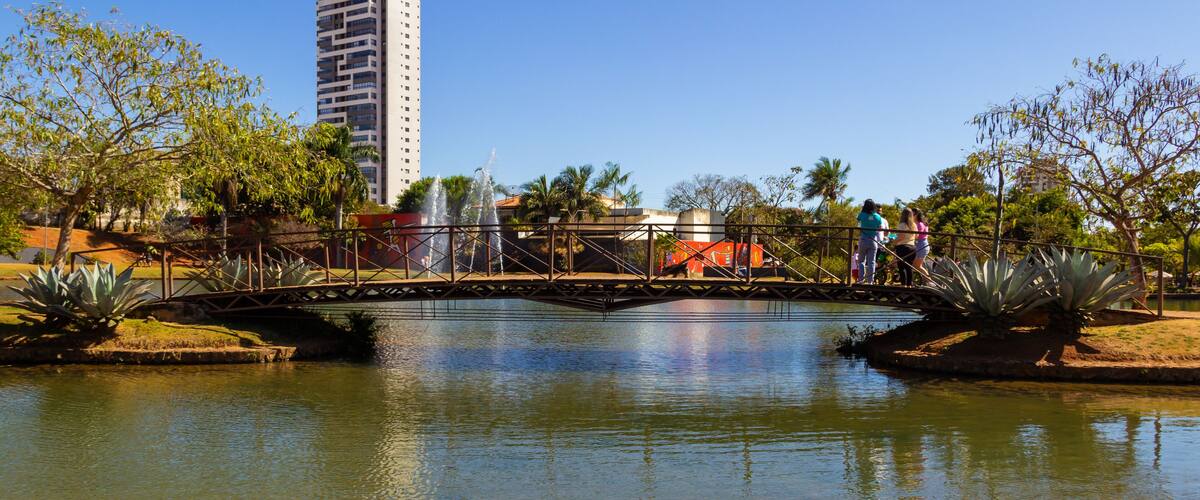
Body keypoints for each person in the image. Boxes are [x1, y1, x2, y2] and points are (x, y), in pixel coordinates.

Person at [856, 199, 883, 284]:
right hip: (873, 240)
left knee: (861, 261)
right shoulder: (877, 217)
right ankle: (870, 281)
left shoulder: (862, 215)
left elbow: (858, 221)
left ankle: (860, 280)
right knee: (871, 261)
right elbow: (881, 228)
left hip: (863, 239)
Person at [893, 208, 918, 286]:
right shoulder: (914, 225)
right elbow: (917, 235)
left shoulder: (902, 225)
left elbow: (901, 236)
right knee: (909, 267)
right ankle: (909, 285)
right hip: (912, 247)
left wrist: (894, 242)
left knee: (901, 267)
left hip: (902, 246)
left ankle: (903, 284)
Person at [912, 207, 931, 280]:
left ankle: (929, 281)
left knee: (917, 266)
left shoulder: (919, 224)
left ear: (916, 215)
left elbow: (916, 236)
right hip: (921, 245)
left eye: (912, 214)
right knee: (915, 265)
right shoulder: (922, 223)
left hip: (921, 245)